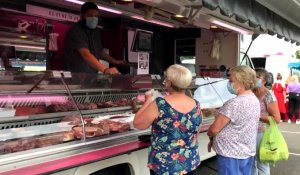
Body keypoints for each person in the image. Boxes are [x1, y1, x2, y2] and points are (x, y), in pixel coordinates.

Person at [133, 64, 202, 175]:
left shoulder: (160, 103)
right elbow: (196, 132)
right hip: (189, 162)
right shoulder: (196, 104)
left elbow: (138, 124)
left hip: (164, 166)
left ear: (169, 82)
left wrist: (147, 101)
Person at [207, 65, 260, 175]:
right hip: (246, 150)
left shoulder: (234, 103)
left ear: (240, 82)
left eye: (231, 80)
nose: (229, 83)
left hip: (230, 153)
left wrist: (210, 135)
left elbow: (214, 129)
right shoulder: (254, 99)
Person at [64, 2, 123, 74]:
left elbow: (99, 51)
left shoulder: (96, 31)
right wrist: (105, 70)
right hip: (76, 77)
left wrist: (114, 61)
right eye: (90, 16)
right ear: (82, 16)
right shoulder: (76, 31)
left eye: (96, 16)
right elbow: (85, 53)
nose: (94, 18)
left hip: (91, 76)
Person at [253, 68, 280, 175]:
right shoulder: (251, 92)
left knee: (261, 163)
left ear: (264, 80)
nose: (254, 79)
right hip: (249, 132)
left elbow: (276, 119)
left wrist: (257, 116)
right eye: (253, 76)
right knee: (251, 163)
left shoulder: (268, 95)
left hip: (262, 133)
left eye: (257, 77)